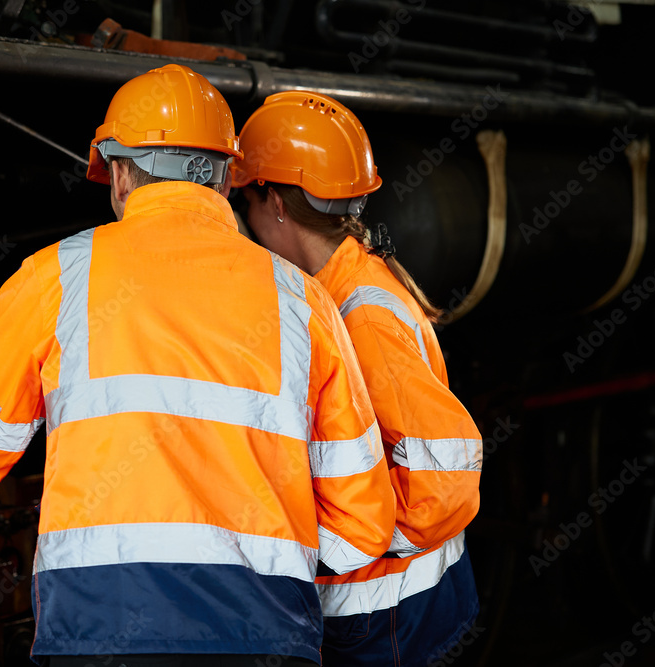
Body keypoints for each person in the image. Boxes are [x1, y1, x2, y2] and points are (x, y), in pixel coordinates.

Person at [0, 65, 397, 666]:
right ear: (226, 181)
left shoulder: (56, 277)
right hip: (264, 638)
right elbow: (362, 530)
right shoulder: (302, 301)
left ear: (118, 174)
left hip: (99, 632)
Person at [231, 91, 484, 667]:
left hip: (388, 614)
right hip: (396, 607)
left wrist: (341, 548)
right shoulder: (342, 285)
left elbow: (445, 469)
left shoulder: (358, 316)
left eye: (245, 202)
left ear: (272, 200)